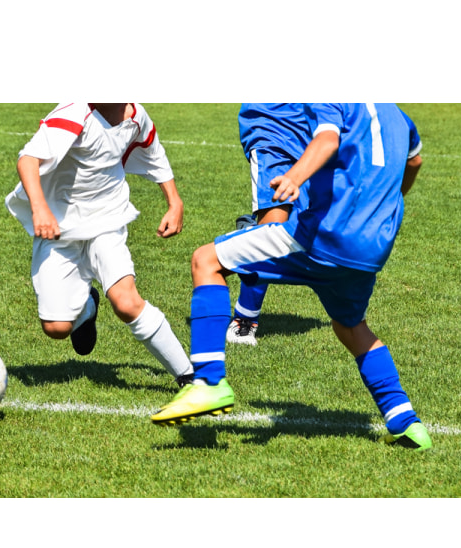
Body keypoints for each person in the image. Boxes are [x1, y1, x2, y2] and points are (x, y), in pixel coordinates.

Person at [151, 103, 431, 451]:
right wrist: (384, 206)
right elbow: (414, 161)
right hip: (372, 248)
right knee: (351, 326)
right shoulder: (398, 115)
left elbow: (326, 139)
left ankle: (208, 381)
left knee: (205, 260)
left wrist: (295, 177)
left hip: (322, 236)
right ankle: (406, 422)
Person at [5, 103, 194, 388]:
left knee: (126, 302)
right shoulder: (74, 112)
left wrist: (174, 201)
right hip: (60, 227)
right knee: (56, 328)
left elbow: (153, 151)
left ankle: (191, 378)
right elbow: (28, 159)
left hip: (108, 220)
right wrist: (39, 208)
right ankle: (86, 307)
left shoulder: (134, 115)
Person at [227, 104, 423, 346]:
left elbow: (414, 158)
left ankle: (248, 236)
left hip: (318, 124)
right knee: (272, 225)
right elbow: (414, 160)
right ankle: (244, 321)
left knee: (310, 220)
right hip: (274, 122)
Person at [227, 104, 312, 346]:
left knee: (305, 235)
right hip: (271, 130)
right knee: (270, 232)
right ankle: (243, 323)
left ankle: (248, 234)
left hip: (311, 135)